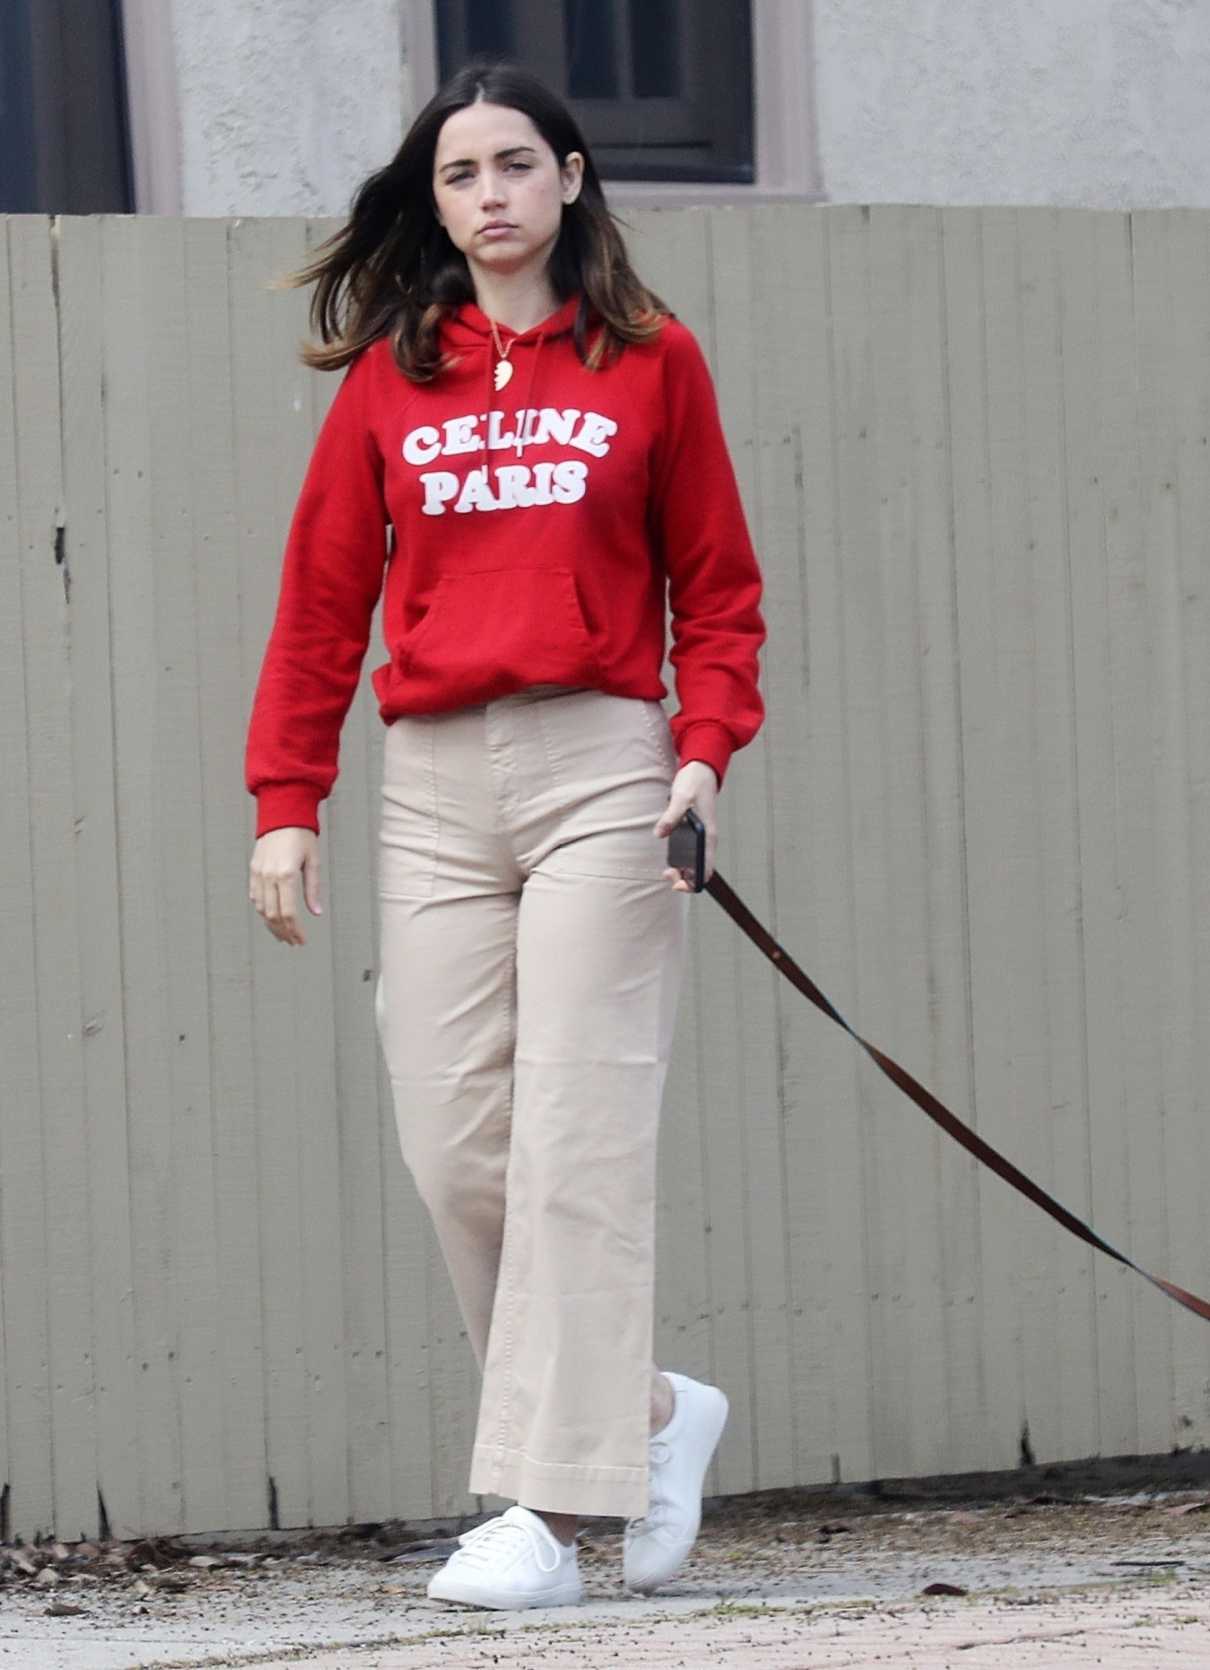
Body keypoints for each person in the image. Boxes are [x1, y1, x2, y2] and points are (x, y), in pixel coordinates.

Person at [244, 57, 766, 1612]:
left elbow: (718, 590)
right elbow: (319, 603)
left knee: (577, 1138)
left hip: (608, 765)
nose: (489, 195)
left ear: (573, 178)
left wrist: (704, 753)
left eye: (515, 165)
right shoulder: (391, 382)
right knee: (455, 1142)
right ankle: (657, 1417)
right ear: (438, 200)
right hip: (433, 785)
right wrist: (287, 802)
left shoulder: (652, 362)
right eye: (461, 173)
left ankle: (537, 1510)